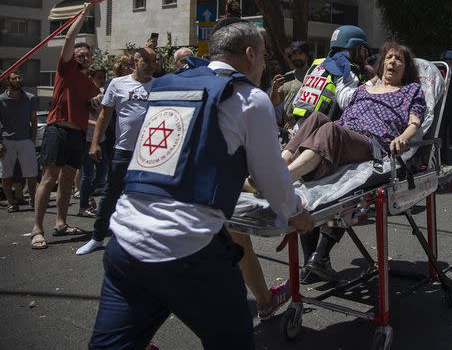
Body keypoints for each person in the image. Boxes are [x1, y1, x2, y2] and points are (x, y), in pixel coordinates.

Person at [88, 21, 313, 349]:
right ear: (250, 54)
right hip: (185, 251)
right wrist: (296, 213)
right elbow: (273, 179)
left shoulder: (169, 86)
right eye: (264, 57)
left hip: (124, 241)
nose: (265, 66)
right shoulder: (248, 98)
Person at [282, 42, 425, 283]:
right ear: (381, 64)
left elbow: (415, 121)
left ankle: (281, 179)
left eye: (399, 59)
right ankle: (281, 165)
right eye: (389, 57)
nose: (392, 62)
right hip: (344, 136)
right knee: (317, 117)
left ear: (406, 68)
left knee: (329, 130)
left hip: (372, 143)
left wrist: (403, 138)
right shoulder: (363, 90)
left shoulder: (410, 90)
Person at [287, 26, 369, 283]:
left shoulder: (319, 64)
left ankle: (312, 264)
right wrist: (370, 91)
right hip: (323, 140)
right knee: (343, 198)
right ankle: (318, 259)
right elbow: (345, 100)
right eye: (363, 49)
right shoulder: (348, 68)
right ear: (356, 48)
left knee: (306, 197)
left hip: (300, 132)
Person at [31, 5, 101, 250]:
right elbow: (69, 39)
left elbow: (95, 109)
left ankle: (60, 223)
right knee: (48, 178)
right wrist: (83, 15)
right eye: (79, 54)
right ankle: (37, 229)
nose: (82, 57)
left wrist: (99, 104)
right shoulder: (66, 68)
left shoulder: (90, 83)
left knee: (69, 180)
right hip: (58, 130)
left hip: (78, 134)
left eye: (86, 55)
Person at [76, 48, 158, 255]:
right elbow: (104, 115)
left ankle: (146, 239)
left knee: (148, 196)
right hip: (123, 150)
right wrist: (95, 143)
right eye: (147, 61)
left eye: (154, 61)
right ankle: (97, 237)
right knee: (110, 194)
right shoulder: (118, 83)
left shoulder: (160, 85)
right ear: (136, 61)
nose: (151, 65)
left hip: (151, 152)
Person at [0, 70, 38, 212]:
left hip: (25, 140)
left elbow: (33, 120)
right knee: (6, 173)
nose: (18, 80)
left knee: (31, 173)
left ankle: (33, 201)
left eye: (19, 78)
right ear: (8, 81)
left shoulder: (30, 98)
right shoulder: (1, 99)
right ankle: (11, 202)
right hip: (6, 140)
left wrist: (32, 140)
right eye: (14, 78)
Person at [77, 67, 108, 217]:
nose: (102, 80)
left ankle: (87, 193)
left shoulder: (103, 94)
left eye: (104, 78)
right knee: (87, 173)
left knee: (103, 171)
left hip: (101, 139)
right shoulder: (84, 94)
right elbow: (81, 117)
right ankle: (83, 206)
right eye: (99, 77)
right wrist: (97, 124)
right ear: (91, 78)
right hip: (87, 139)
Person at [270, 41, 311, 125]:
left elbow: (313, 105)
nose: (297, 57)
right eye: (294, 54)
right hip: (287, 127)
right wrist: (274, 89)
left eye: (300, 54)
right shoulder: (287, 76)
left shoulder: (313, 75)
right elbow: (274, 103)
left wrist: (296, 120)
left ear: (307, 56)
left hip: (305, 126)